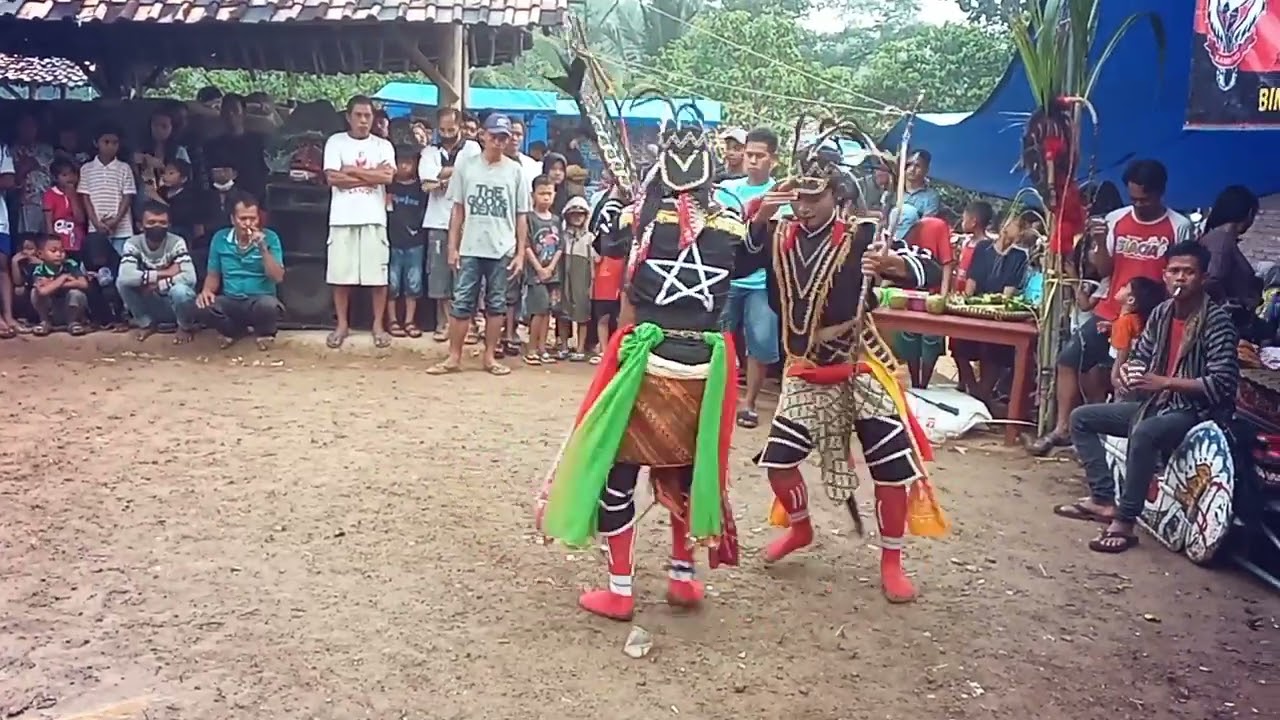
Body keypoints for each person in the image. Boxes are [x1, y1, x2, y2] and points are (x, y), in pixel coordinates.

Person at [537, 108, 744, 621]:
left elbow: (606, 243)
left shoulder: (638, 219)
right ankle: (682, 577)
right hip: (704, 366)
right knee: (684, 470)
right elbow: (751, 263)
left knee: (618, 468)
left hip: (650, 363)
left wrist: (625, 199)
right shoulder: (732, 225)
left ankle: (621, 589)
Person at [744, 142, 944, 604]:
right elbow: (742, 260)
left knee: (890, 466)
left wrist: (892, 264)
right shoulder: (777, 234)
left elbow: (928, 268)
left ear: (836, 195)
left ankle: (891, 560)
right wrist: (761, 215)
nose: (805, 207)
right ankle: (800, 529)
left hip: (858, 364)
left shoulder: (864, 234)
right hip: (806, 367)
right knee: (778, 463)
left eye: (815, 198)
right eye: (799, 198)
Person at [1054, 241, 1239, 553]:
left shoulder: (1217, 321)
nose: (1180, 278)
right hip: (1155, 404)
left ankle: (1125, 522)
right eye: (1174, 271)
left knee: (1145, 432)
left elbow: (1222, 383)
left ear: (1203, 278)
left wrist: (1165, 382)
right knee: (1081, 418)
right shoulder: (1162, 313)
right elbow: (1142, 354)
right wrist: (1131, 371)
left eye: (1189, 272)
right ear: (1164, 275)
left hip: (1194, 412)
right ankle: (1102, 499)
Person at [1030, 160, 1195, 455]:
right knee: (1069, 359)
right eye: (1133, 198)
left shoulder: (1179, 226)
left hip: (1152, 320)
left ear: (1160, 192)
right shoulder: (1116, 220)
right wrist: (1098, 241)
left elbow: (1182, 273)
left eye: (1144, 199)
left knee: (1129, 380)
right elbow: (1105, 269)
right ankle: (1063, 428)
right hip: (1110, 311)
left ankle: (1115, 441)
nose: (1138, 205)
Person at [426, 113, 528, 376]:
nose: (499, 141)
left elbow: (521, 215)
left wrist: (520, 253)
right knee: (462, 303)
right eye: (494, 136)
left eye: (503, 137)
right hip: (471, 246)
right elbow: (457, 210)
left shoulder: (516, 171)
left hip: (501, 248)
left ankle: (490, 357)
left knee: (496, 305)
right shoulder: (466, 167)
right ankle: (454, 356)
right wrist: (452, 247)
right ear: (483, 135)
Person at [715, 127, 780, 429]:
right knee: (719, 339)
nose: (752, 160)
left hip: (762, 281)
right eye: (749, 154)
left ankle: (749, 403)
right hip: (726, 278)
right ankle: (720, 398)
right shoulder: (725, 190)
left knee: (761, 341)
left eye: (759, 156)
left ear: (773, 160)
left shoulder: (782, 195)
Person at [322, 95, 396, 349]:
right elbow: (333, 178)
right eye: (358, 115)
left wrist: (352, 170)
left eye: (367, 116)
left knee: (378, 277)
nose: (363, 120)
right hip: (342, 218)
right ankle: (342, 324)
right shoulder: (336, 142)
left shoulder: (383, 145)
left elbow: (387, 177)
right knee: (340, 275)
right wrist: (370, 176)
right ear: (348, 117)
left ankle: (378, 325)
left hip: (374, 218)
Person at [951, 217, 1032, 406]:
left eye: (1022, 228)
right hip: (975, 308)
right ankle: (974, 390)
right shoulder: (983, 248)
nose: (1020, 231)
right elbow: (971, 283)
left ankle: (982, 395)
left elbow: (1007, 294)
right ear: (1003, 225)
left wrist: (994, 304)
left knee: (995, 350)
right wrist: (967, 301)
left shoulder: (1019, 256)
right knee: (958, 344)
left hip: (998, 313)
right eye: (1018, 225)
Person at [420, 107, 481, 342]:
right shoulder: (429, 151)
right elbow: (426, 181)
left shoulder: (472, 148)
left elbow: (472, 175)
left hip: (466, 221)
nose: (447, 134)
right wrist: (453, 175)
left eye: (451, 129)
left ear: (460, 127)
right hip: (437, 221)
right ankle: (445, 322)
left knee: (466, 275)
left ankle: (468, 324)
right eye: (443, 130)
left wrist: (441, 178)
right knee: (440, 276)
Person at [197, 193, 286, 351]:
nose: (248, 224)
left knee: (269, 306)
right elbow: (213, 274)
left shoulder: (271, 238)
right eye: (243, 219)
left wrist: (263, 248)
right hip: (231, 300)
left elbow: (277, 277)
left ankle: (264, 333)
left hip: (259, 300)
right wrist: (206, 291)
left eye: (253, 219)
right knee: (204, 306)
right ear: (233, 219)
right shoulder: (220, 238)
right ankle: (233, 331)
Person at [116, 202, 199, 343]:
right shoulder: (132, 243)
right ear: (140, 226)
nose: (157, 226)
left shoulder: (177, 242)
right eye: (151, 222)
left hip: (174, 304)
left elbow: (190, 277)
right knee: (122, 283)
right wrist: (164, 273)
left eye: (162, 223)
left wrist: (159, 285)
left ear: (169, 225)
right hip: (150, 301)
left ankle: (185, 327)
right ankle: (146, 324)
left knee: (181, 291)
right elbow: (125, 277)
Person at [892, 209, 955, 389]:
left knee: (931, 338)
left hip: (933, 293)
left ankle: (924, 382)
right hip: (910, 292)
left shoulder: (937, 226)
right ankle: (915, 382)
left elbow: (947, 263)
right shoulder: (895, 236)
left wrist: (943, 296)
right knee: (909, 336)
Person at [386, 146, 428, 338]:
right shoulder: (389, 187)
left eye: (408, 162)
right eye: (400, 162)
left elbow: (424, 213)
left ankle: (410, 321)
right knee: (392, 284)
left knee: (414, 283)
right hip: (392, 241)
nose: (404, 166)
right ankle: (392, 320)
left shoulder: (420, 189)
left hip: (415, 242)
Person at [522, 176, 564, 365]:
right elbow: (526, 245)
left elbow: (560, 246)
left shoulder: (556, 219)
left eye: (549, 193)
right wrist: (539, 268)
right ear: (533, 195)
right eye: (542, 193)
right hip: (535, 273)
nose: (546, 197)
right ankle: (531, 349)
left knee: (547, 310)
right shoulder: (529, 218)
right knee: (538, 310)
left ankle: (542, 348)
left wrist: (551, 267)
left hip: (552, 273)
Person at [79, 125, 137, 261]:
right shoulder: (86, 169)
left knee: (123, 262)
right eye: (106, 142)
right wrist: (95, 222)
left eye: (115, 142)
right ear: (96, 143)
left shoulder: (124, 168)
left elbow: (127, 197)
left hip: (122, 228)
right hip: (96, 227)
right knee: (99, 263)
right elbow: (85, 198)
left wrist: (115, 221)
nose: (110, 146)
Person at [1199, 184, 1261, 309]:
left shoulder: (1218, 238)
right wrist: (1235, 302)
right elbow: (1212, 280)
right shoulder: (1221, 241)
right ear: (1250, 214)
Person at [202, 94, 269, 199]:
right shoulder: (211, 145)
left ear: (244, 113)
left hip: (254, 196)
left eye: (234, 110)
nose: (230, 114)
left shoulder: (260, 141)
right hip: (222, 196)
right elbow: (209, 176)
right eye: (226, 110)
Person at [1107, 276, 1167, 383]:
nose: (1121, 287)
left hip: (1124, 369)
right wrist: (1112, 327)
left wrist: (1115, 376)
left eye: (1125, 287)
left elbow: (1123, 352)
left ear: (1131, 300)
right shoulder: (1134, 319)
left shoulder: (1124, 322)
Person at [30, 234, 91, 336]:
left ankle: (73, 323)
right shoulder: (39, 270)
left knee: (76, 293)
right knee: (34, 292)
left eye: (62, 251)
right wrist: (64, 278)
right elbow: (43, 291)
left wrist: (52, 283)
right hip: (52, 310)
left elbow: (84, 284)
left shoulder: (70, 264)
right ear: (40, 254)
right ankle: (45, 322)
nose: (59, 254)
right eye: (53, 251)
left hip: (69, 308)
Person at [559, 196, 595, 362]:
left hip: (582, 277)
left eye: (581, 214)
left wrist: (592, 283)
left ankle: (580, 348)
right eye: (573, 214)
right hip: (564, 276)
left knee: (582, 313)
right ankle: (564, 346)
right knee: (563, 312)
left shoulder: (590, 238)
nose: (577, 217)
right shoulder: (562, 236)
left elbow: (593, 262)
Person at [12, 111, 54, 235]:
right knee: (27, 239)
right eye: (24, 125)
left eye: (32, 126)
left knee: (48, 239)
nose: (28, 129)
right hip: (25, 203)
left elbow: (36, 164)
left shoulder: (46, 149)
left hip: (47, 202)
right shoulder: (11, 151)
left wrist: (28, 164)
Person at [42, 159, 86, 262]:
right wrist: (52, 242)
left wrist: (73, 197)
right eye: (64, 175)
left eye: (72, 174)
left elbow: (80, 219)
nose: (70, 178)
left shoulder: (79, 194)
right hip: (59, 243)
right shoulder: (50, 194)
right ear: (56, 178)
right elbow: (48, 221)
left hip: (77, 242)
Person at [155, 159, 204, 246]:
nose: (165, 176)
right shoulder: (161, 191)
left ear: (183, 178)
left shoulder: (189, 194)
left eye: (171, 173)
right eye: (164, 173)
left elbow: (181, 215)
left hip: (182, 230)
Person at [0, 142, 15, 338]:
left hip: (0, 219)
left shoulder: (2, 148)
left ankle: (9, 316)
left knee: (2, 267)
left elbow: (9, 180)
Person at [902, 149, 941, 220]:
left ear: (926, 170)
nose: (912, 169)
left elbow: (926, 223)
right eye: (909, 164)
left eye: (917, 166)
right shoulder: (895, 190)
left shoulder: (931, 196)